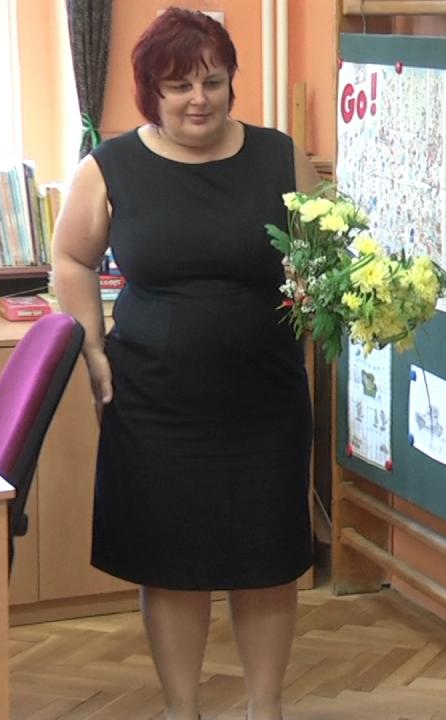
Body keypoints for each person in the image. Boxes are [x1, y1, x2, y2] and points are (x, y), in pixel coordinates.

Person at [51, 9, 317, 720]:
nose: (199, 99)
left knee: (266, 561)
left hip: (265, 400)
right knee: (171, 565)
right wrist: (92, 348)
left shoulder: (280, 156)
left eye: (213, 81)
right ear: (152, 92)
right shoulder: (109, 167)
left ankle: (266, 709)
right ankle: (182, 709)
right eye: (179, 86)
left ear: (231, 83)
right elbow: (71, 258)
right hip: (154, 403)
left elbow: (321, 252)